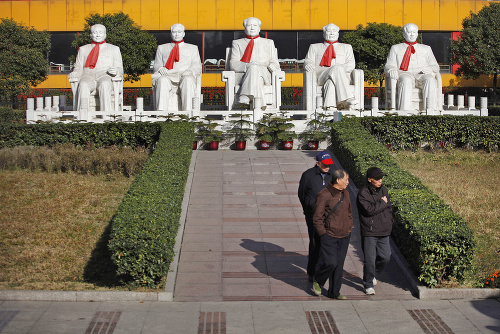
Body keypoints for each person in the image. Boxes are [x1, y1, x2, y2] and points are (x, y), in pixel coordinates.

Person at [312, 169, 353, 300]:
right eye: (345, 180)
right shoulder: (324, 195)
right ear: (338, 180)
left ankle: (334, 292)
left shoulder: (345, 193)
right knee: (331, 263)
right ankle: (318, 280)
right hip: (329, 235)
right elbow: (317, 218)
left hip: (344, 235)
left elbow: (349, 212)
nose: (348, 182)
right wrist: (323, 234)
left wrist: (349, 227)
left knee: (339, 266)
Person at [384, 23, 440, 111]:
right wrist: (391, 69)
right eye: (409, 32)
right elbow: (389, 64)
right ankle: (405, 112)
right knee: (406, 80)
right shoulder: (395, 48)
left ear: (417, 34)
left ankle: (430, 110)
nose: (412, 34)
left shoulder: (426, 48)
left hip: (421, 75)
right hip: (405, 74)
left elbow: (435, 66)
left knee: (430, 79)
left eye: (414, 32)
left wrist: (430, 68)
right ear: (404, 34)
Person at [298, 151, 335, 282]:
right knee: (315, 243)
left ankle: (325, 269)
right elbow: (301, 195)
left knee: (327, 243)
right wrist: (308, 208)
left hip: (329, 216)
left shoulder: (333, 175)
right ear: (317, 163)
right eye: (325, 165)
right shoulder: (308, 175)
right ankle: (312, 272)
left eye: (329, 165)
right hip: (313, 216)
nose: (327, 167)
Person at [69, 24, 123, 112]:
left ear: (105, 35)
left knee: (104, 84)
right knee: (83, 84)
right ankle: (82, 115)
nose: (98, 35)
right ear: (91, 35)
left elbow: (120, 68)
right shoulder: (83, 49)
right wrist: (75, 72)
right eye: (95, 33)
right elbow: (78, 67)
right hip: (88, 75)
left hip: (105, 75)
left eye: (100, 33)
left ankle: (107, 115)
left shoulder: (114, 49)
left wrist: (117, 71)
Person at [356, 167, 393, 295]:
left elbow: (388, 208)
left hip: (384, 231)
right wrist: (382, 203)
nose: (380, 180)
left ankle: (372, 275)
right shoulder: (363, 193)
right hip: (370, 232)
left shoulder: (384, 190)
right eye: (377, 178)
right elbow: (369, 210)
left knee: (386, 257)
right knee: (370, 260)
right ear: (369, 179)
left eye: (381, 178)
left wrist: (389, 221)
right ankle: (368, 284)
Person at [229, 17, 280, 109]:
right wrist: (248, 65)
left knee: (254, 69)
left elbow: (274, 61)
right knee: (255, 74)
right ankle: (259, 106)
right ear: (245, 28)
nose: (252, 28)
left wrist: (273, 65)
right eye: (249, 25)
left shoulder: (268, 42)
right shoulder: (237, 43)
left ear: (259, 28)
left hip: (265, 73)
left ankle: (244, 96)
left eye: (255, 25)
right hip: (243, 74)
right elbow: (233, 64)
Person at [304, 23, 358, 110]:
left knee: (330, 83)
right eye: (329, 31)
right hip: (322, 76)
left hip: (343, 78)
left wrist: (337, 70)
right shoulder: (314, 47)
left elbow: (351, 64)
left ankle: (329, 110)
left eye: (334, 31)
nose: (332, 33)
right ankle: (347, 98)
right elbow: (308, 60)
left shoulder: (347, 47)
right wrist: (308, 64)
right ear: (324, 34)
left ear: (338, 34)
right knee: (336, 68)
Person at [152, 23, 202, 111]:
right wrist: (160, 68)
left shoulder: (192, 48)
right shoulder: (162, 48)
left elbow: (197, 66)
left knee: (188, 80)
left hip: (185, 75)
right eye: (174, 32)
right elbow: (156, 64)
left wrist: (190, 70)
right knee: (162, 80)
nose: (177, 34)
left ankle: (188, 112)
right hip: (168, 75)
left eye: (179, 32)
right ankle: (161, 112)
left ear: (184, 34)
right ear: (171, 33)